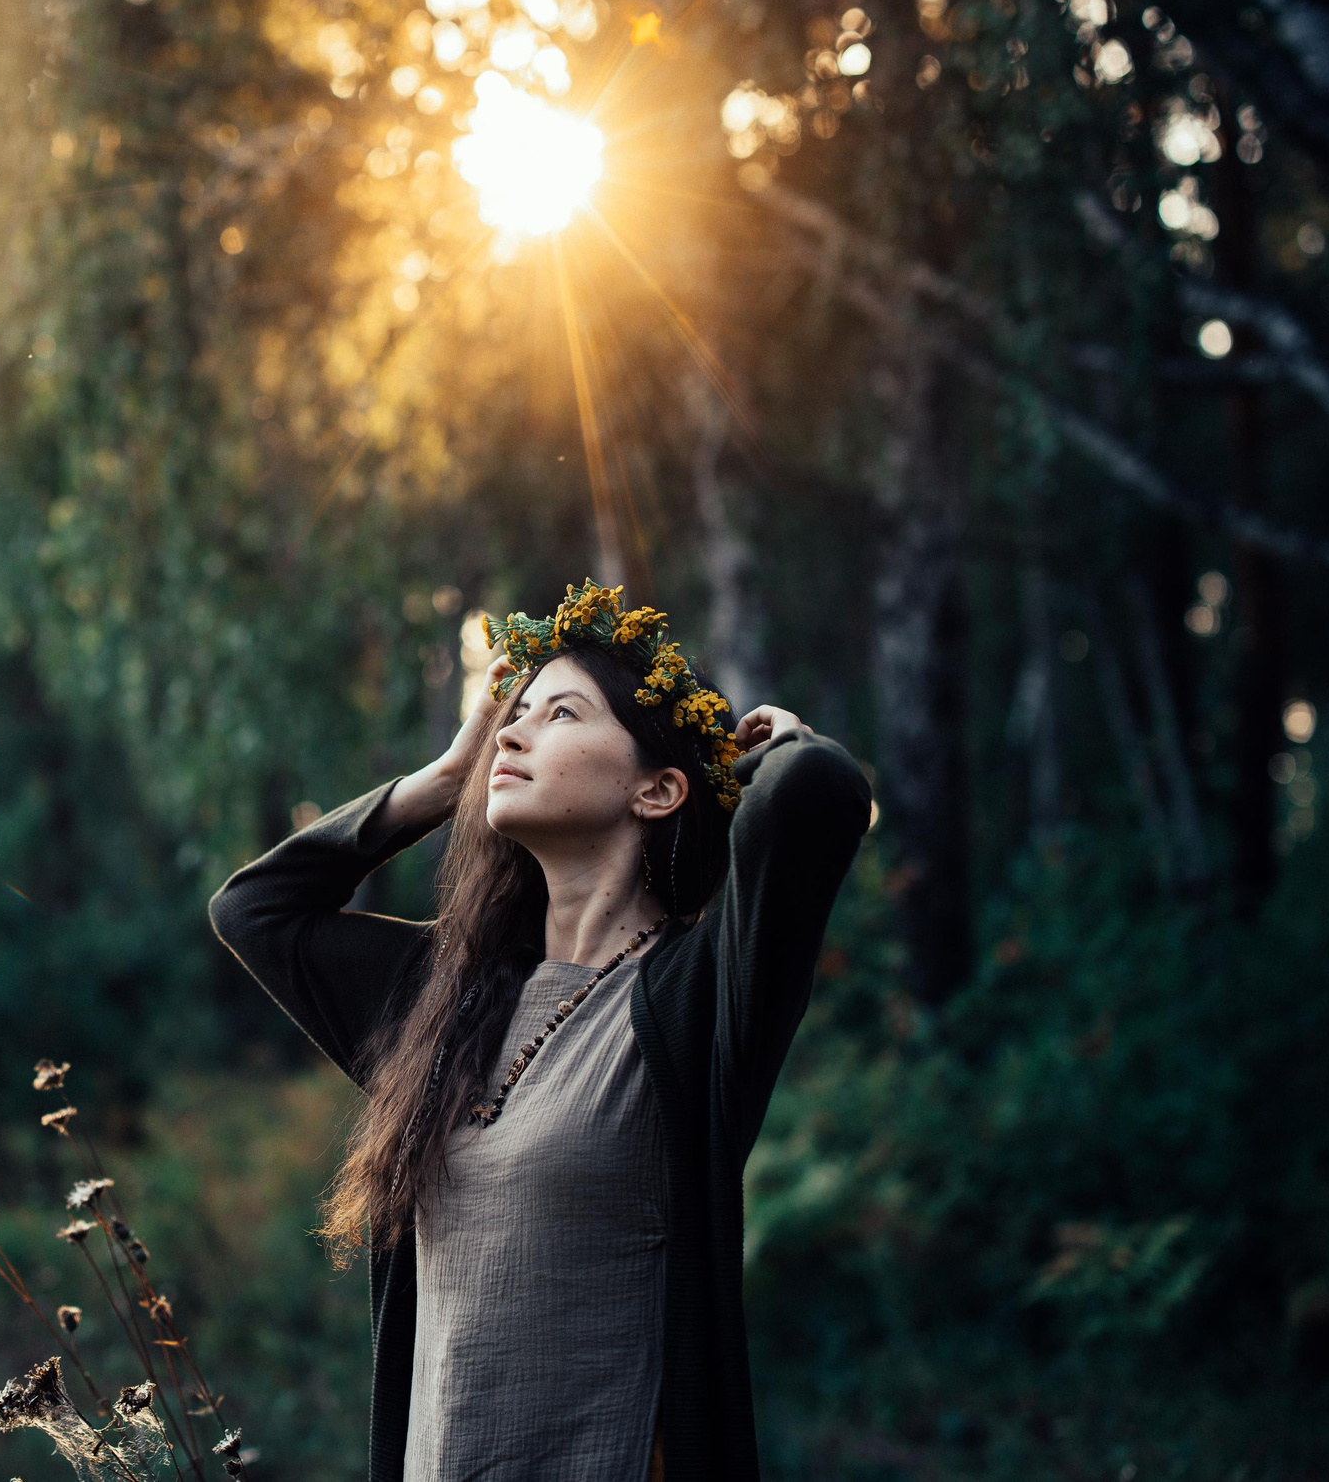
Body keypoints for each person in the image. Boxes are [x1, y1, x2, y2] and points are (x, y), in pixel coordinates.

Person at [210, 581, 872, 1482]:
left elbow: (819, 791)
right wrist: (443, 781)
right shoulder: (446, 999)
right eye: (509, 718)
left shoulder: (696, 996)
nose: (511, 735)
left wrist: (777, 744)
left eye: (559, 713)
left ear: (657, 788)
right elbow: (254, 909)